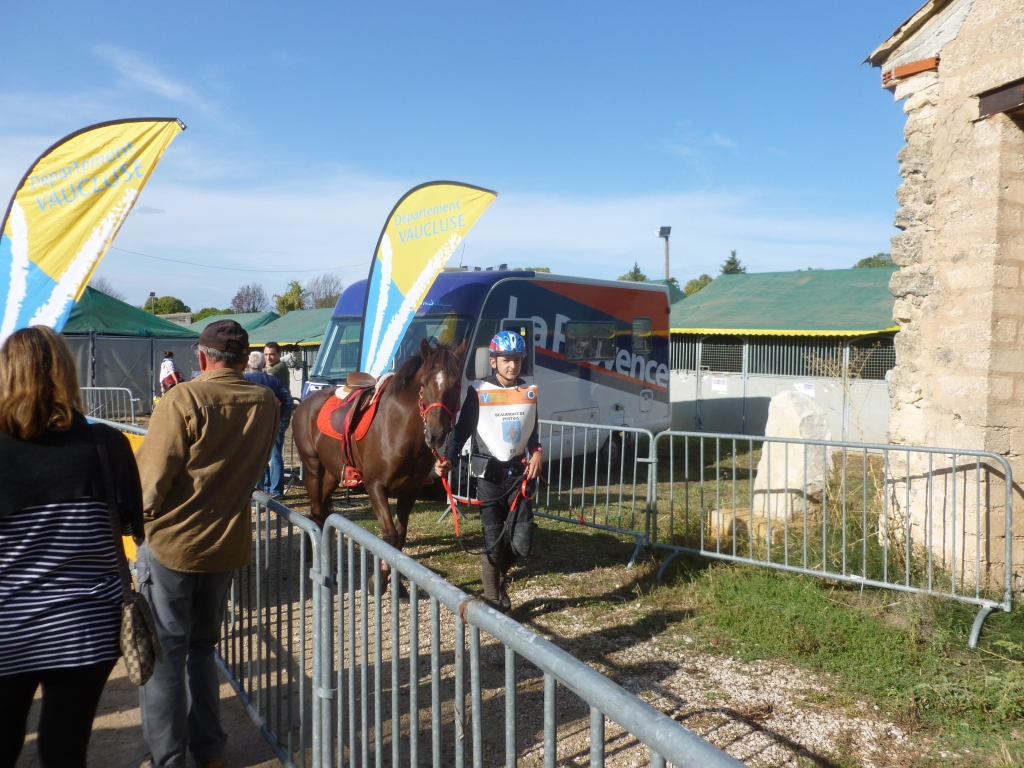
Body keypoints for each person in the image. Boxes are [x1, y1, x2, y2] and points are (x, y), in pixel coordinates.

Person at [134, 319, 278, 768]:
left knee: (165, 656)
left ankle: (168, 758)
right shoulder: (266, 402)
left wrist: (136, 525)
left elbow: (148, 486)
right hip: (225, 545)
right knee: (201, 650)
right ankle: (209, 748)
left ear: (201, 356)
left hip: (172, 545)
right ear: (245, 358)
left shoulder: (183, 398)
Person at [0, 326, 144, 768]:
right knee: (66, 749)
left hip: (7, 627)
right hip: (86, 628)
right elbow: (131, 524)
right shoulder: (107, 444)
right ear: (66, 372)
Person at [434, 330, 542, 613]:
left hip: (519, 476)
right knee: (492, 541)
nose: (512, 365)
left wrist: (537, 452)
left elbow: (532, 432)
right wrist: (448, 460)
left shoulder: (527, 392)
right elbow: (460, 433)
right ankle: (493, 600)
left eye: (517, 359)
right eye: (506, 359)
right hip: (488, 478)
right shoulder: (478, 392)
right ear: (493, 362)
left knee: (523, 543)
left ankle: (497, 576)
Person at [244, 351, 293, 496]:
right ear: (263, 364)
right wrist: (279, 416)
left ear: (248, 364)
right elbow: (288, 400)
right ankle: (276, 490)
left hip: (251, 424)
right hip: (271, 422)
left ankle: (260, 490)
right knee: (275, 455)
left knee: (255, 456)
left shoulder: (243, 379)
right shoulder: (273, 381)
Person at [262, 342, 291, 496]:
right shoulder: (270, 368)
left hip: (279, 417)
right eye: (266, 354)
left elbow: (265, 379)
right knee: (267, 454)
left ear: (279, 354)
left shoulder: (278, 368)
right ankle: (267, 487)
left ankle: (276, 490)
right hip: (272, 416)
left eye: (272, 354)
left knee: (274, 455)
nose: (268, 357)